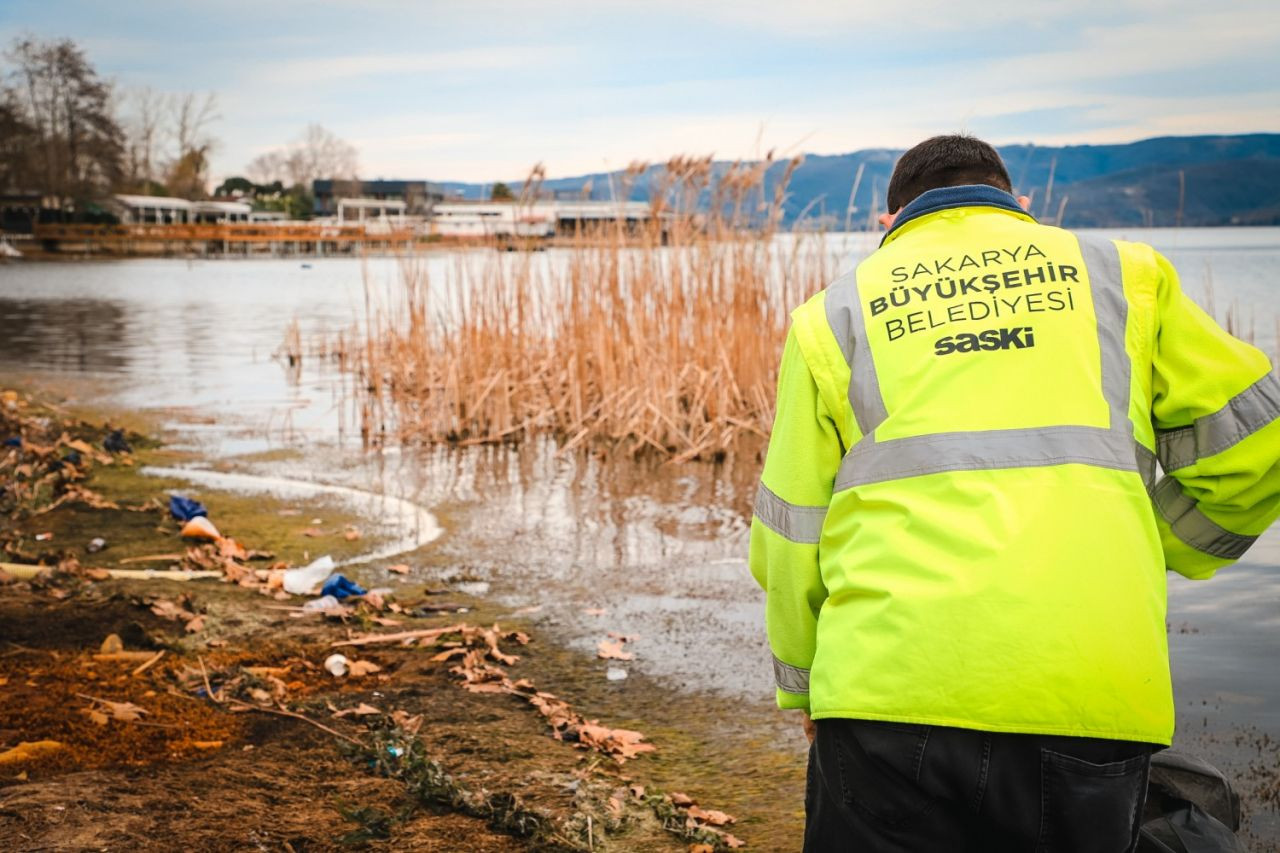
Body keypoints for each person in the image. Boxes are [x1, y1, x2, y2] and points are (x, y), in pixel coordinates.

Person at [748, 134, 1280, 852]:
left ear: (889, 223)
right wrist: (1152, 545)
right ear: (1019, 203)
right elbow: (1262, 450)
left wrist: (807, 689)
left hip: (884, 690)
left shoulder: (834, 315)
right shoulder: (1126, 276)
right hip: (1089, 689)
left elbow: (790, 534)